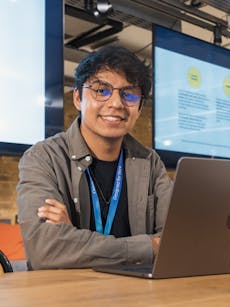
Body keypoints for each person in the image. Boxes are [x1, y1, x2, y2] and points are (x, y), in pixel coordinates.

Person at [17, 45, 172, 270]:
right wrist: (149, 246)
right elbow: (47, 250)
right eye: (102, 90)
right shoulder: (43, 158)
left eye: (128, 94)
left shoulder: (150, 162)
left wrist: (74, 238)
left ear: (139, 108)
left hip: (137, 298)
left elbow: (176, 242)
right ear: (78, 98)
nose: (117, 103)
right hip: (63, 298)